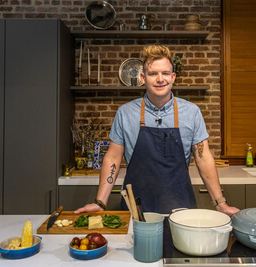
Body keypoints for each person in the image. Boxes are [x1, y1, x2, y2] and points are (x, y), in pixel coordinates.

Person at [74, 45, 239, 216]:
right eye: (153, 74)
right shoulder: (125, 113)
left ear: (173, 77)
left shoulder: (191, 113)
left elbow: (203, 158)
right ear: (143, 78)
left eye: (165, 73)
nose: (160, 79)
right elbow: (113, 157)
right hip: (136, 209)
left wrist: (221, 204)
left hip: (180, 208)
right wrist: (100, 202)